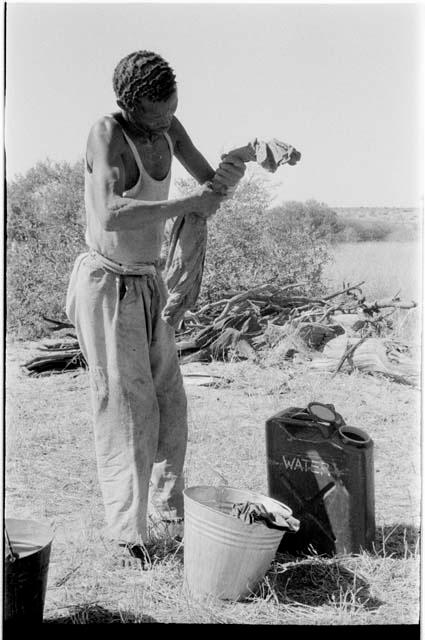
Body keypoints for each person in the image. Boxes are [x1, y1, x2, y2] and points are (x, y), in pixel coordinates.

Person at [65, 50, 246, 559]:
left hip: (147, 283)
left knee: (170, 404)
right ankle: (129, 534)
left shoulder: (168, 126)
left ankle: (168, 512)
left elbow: (210, 186)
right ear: (128, 103)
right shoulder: (106, 134)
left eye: (172, 109)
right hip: (106, 286)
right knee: (127, 409)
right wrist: (188, 203)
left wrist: (247, 155)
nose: (165, 121)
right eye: (155, 113)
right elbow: (112, 213)